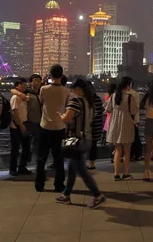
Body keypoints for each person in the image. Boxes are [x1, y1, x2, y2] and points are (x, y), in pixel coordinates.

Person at [55, 79, 106, 208]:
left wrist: (60, 116)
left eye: (73, 89)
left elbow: (67, 119)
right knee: (72, 168)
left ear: (78, 89)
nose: (72, 91)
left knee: (82, 171)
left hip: (76, 140)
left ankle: (97, 195)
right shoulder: (90, 102)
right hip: (86, 138)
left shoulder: (76, 101)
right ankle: (66, 195)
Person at [35, 64, 70, 192]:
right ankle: (59, 185)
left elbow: (41, 102)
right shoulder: (66, 91)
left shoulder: (44, 89)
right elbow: (66, 106)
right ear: (62, 75)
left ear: (50, 74)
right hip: (59, 127)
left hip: (44, 126)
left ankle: (39, 184)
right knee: (59, 158)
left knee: (41, 158)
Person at [105, 76, 139, 181]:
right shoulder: (129, 97)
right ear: (128, 86)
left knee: (118, 150)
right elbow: (134, 111)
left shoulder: (114, 95)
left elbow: (107, 109)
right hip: (127, 123)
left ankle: (116, 174)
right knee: (127, 151)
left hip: (115, 124)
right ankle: (125, 173)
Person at [9, 78, 32, 176]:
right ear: (17, 86)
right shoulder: (15, 98)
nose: (24, 86)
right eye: (21, 84)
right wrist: (21, 125)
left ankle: (22, 167)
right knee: (15, 148)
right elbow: (14, 112)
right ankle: (13, 169)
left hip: (24, 125)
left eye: (25, 84)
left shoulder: (23, 97)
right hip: (16, 126)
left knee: (26, 147)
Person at [87, 82, 105, 170]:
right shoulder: (97, 98)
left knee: (86, 145)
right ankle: (92, 163)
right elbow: (100, 110)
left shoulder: (85, 99)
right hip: (97, 125)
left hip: (89, 126)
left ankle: (88, 163)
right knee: (93, 145)